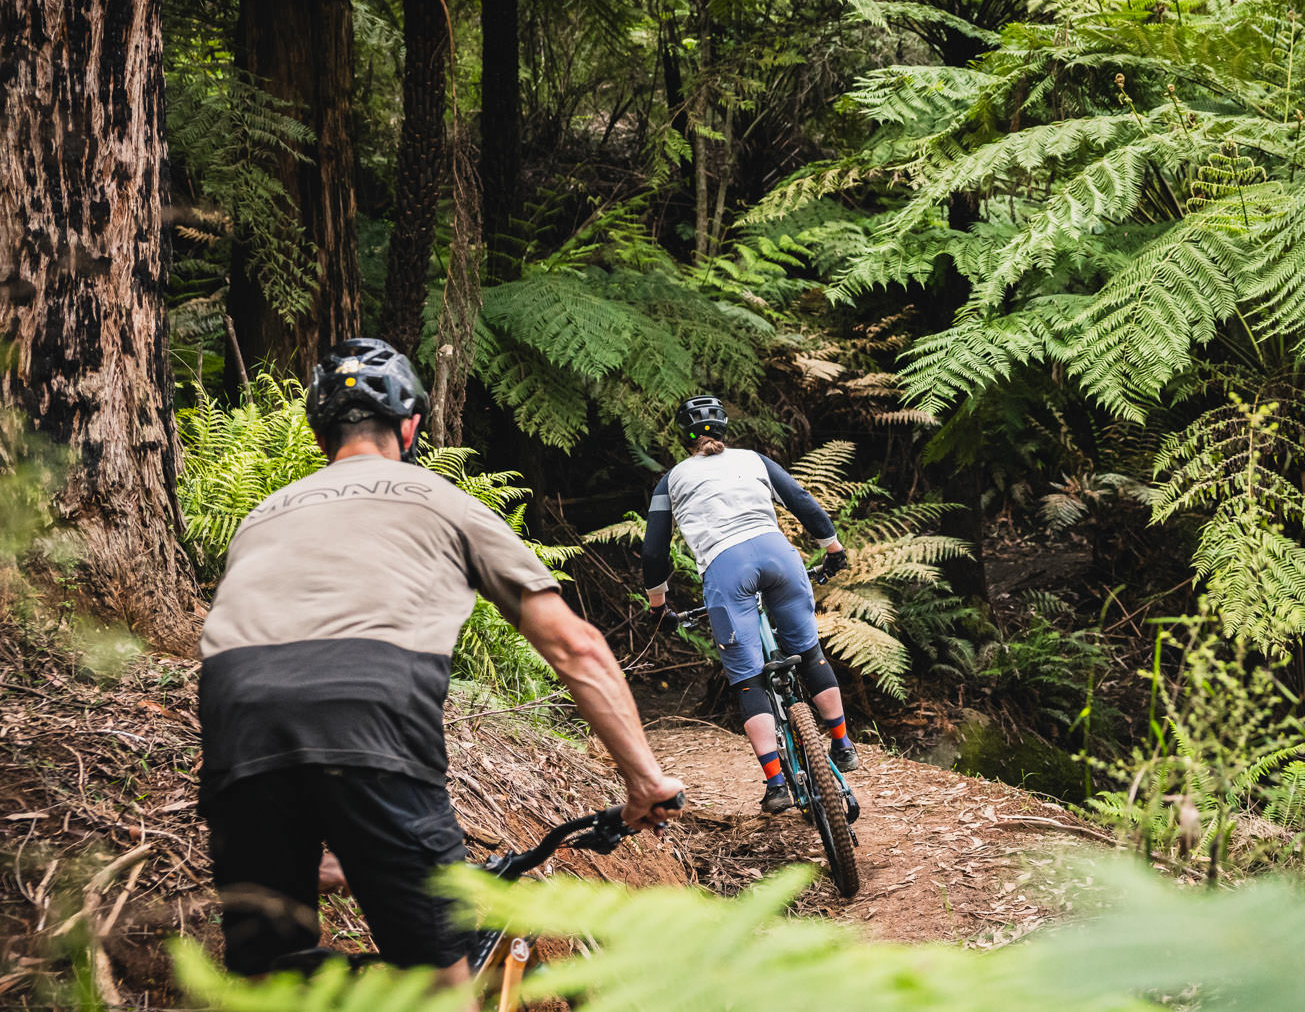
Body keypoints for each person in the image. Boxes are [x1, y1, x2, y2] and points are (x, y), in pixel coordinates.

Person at [198, 338, 685, 988]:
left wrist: (323, 827)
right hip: (374, 726)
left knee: (271, 979)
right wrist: (645, 780)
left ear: (320, 435)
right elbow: (576, 646)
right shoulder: (437, 497)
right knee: (438, 980)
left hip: (237, 736)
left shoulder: (260, 517)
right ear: (411, 426)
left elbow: (280, 675)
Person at [641, 395, 857, 814]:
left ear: (682, 436)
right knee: (809, 652)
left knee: (747, 680)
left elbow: (653, 553)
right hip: (779, 554)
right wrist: (832, 548)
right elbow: (801, 499)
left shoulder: (671, 480)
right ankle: (843, 743)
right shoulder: (754, 460)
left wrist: (658, 607)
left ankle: (776, 784)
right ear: (724, 429)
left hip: (727, 569)